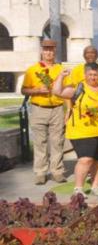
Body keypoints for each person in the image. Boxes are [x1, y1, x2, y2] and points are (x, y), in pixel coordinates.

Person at [52, 63, 98, 198]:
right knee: (85, 159)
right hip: (82, 132)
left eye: (95, 75)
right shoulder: (78, 89)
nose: (93, 77)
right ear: (85, 75)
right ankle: (78, 188)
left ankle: (95, 186)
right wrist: (60, 77)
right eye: (90, 75)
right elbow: (57, 92)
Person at [21, 39, 67, 185]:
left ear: (55, 51)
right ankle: (40, 172)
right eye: (46, 49)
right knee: (40, 142)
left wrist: (69, 110)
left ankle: (57, 171)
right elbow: (24, 90)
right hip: (38, 108)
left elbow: (67, 90)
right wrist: (36, 90)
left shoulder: (61, 69)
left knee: (57, 141)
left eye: (51, 49)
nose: (49, 52)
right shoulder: (33, 69)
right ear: (42, 51)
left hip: (57, 108)